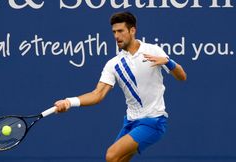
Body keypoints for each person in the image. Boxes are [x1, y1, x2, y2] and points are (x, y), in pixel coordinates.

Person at [54, 11, 187, 162]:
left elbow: (182, 77)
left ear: (132, 30)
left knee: (111, 155)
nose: (116, 36)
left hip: (153, 121)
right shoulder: (113, 64)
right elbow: (97, 94)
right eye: (114, 32)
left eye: (120, 31)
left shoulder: (153, 50)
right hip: (131, 122)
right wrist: (69, 102)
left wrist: (168, 62)